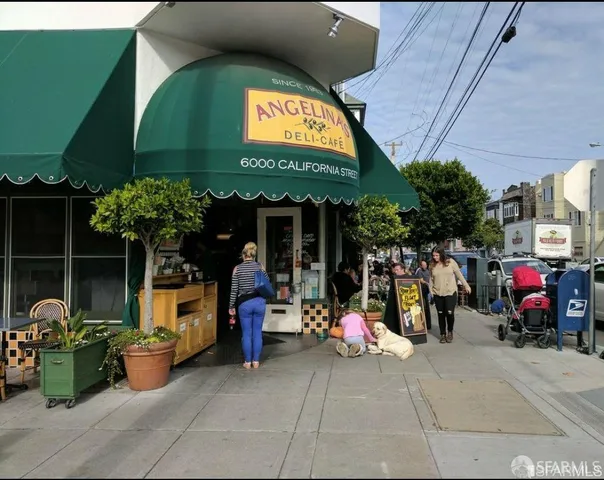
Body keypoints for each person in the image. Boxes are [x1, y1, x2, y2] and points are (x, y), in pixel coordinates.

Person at [228, 242, 269, 369]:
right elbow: (267, 282)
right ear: (253, 254)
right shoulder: (260, 267)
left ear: (243, 255)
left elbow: (234, 290)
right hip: (259, 302)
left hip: (244, 304)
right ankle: (256, 361)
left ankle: (247, 362)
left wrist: (231, 306)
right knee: (257, 332)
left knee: (246, 333)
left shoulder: (237, 269)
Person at [430, 247, 471, 344]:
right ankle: (442, 334)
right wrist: (431, 291)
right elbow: (431, 279)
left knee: (449, 313)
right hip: (437, 293)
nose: (435, 257)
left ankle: (450, 331)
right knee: (440, 314)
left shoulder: (450, 262)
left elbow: (459, 275)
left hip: (450, 292)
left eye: (437, 255)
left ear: (442, 254)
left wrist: (466, 286)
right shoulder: (432, 265)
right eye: (433, 255)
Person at [414, 260, 432, 330]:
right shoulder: (420, 271)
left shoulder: (428, 271)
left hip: (427, 290)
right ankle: (422, 323)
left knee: (427, 306)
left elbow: (430, 278)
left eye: (425, 265)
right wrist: (427, 283)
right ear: (421, 266)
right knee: (423, 306)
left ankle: (428, 324)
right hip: (422, 290)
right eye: (423, 265)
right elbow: (421, 280)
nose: (424, 266)